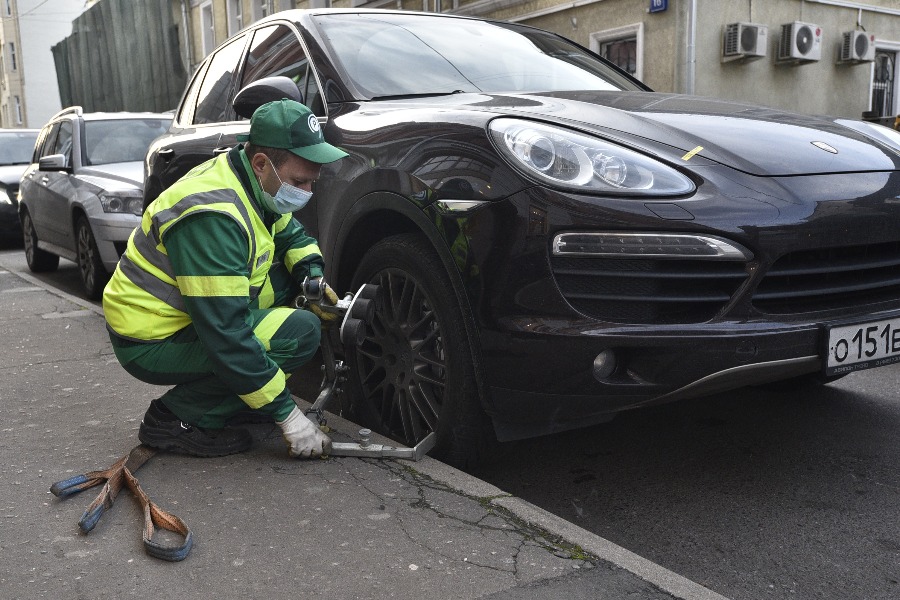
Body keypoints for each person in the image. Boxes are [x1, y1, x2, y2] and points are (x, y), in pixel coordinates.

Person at [103, 99, 346, 459]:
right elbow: (227, 338)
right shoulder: (212, 216)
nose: (307, 193)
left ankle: (240, 398)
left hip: (186, 319)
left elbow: (291, 236)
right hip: (150, 338)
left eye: (313, 181)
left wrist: (311, 279)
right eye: (300, 181)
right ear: (262, 163)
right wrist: (287, 415)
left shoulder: (249, 179)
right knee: (300, 333)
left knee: (290, 296)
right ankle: (176, 420)